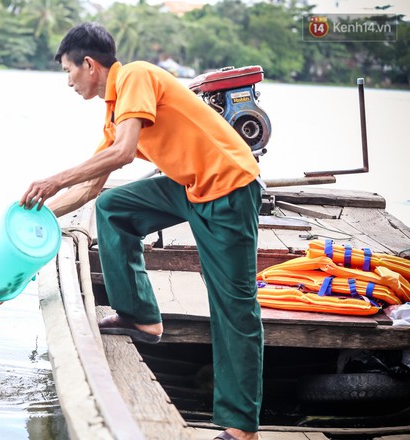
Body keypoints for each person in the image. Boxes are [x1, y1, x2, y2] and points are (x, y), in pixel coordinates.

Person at [20, 22, 263, 440]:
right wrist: (26, 221)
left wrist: (53, 180)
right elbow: (89, 190)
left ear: (90, 65)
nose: (68, 82)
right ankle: (140, 316)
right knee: (114, 206)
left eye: (68, 71)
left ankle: (241, 428)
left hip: (229, 188)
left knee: (233, 305)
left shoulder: (135, 75)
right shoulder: (115, 114)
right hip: (191, 186)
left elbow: (125, 151)